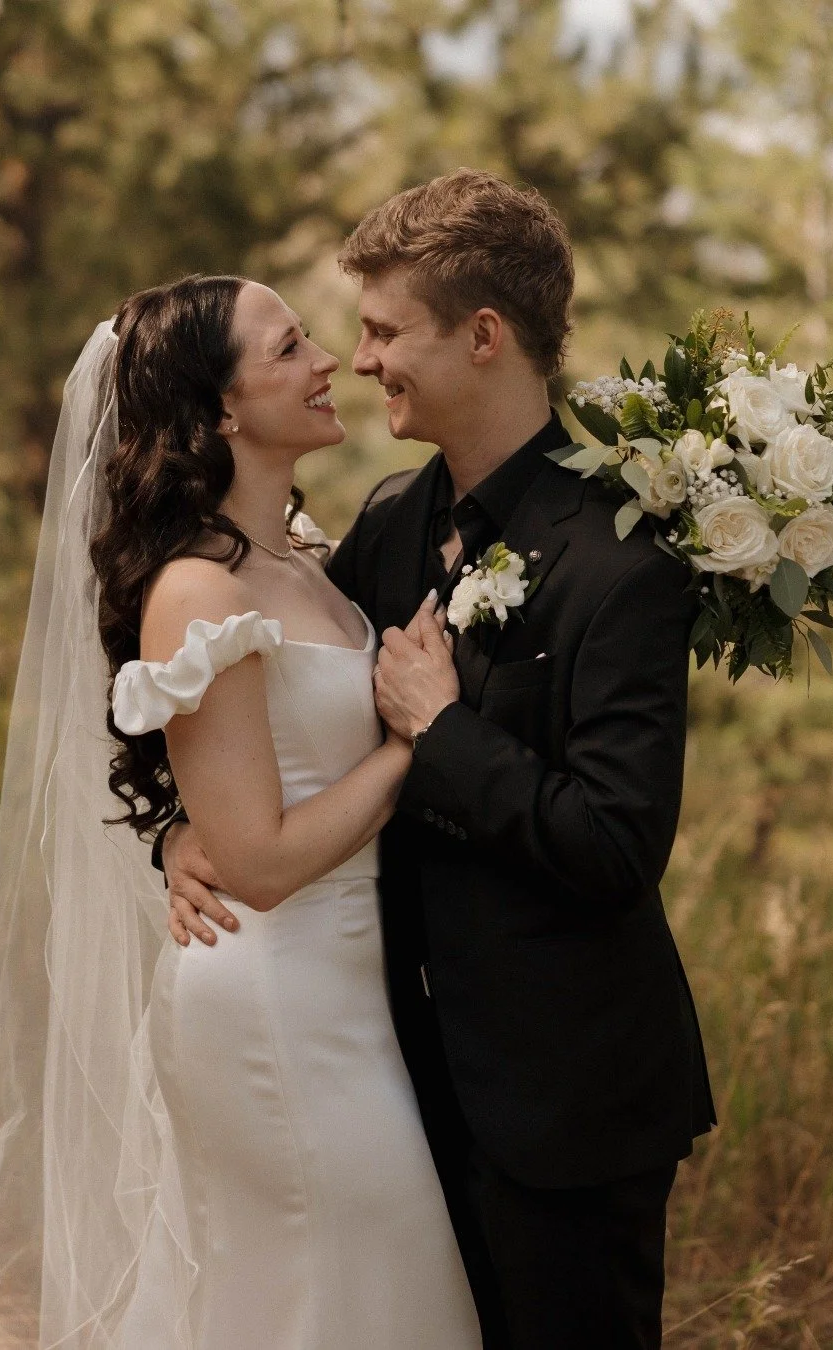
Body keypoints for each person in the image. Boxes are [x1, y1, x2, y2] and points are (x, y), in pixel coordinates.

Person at [0, 273, 482, 1348]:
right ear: (222, 409)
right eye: (290, 349)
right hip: (272, 1001)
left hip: (348, 997)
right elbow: (262, 862)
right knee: (331, 1292)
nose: (328, 362)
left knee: (354, 1295)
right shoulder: (198, 590)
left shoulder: (307, 561)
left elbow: (241, 789)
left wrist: (187, 832)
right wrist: (423, 741)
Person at [161, 168, 717, 1350]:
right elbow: (272, 723)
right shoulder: (390, 522)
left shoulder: (624, 558)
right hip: (384, 1081)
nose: (360, 361)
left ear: (482, 335)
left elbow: (615, 845)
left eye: (382, 330)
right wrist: (183, 836)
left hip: (561, 1109)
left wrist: (445, 733)